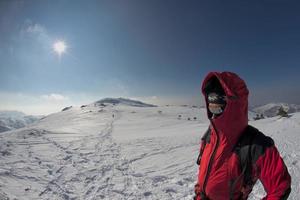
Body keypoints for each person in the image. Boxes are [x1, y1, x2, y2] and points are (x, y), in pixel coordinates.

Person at [194, 72, 291, 200]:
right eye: (211, 107)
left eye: (217, 107)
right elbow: (204, 173)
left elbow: (280, 188)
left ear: (233, 105)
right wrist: (199, 193)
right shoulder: (210, 135)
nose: (214, 114)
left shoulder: (258, 145)